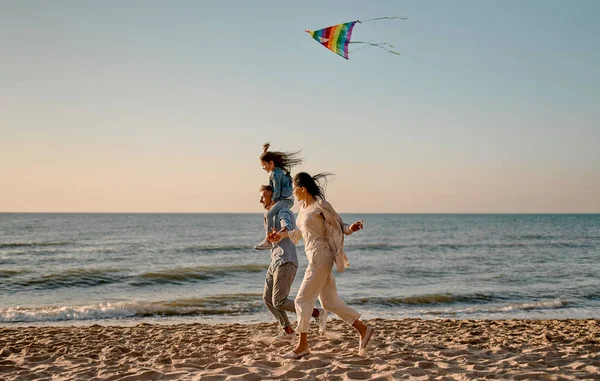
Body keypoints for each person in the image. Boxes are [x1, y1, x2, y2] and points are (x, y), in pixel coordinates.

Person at [269, 172, 375, 359]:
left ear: (303, 189)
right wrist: (281, 235)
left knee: (302, 299)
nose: (293, 192)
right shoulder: (303, 208)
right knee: (329, 302)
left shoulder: (321, 206)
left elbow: (341, 226)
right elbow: (299, 233)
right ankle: (363, 330)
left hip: (321, 256)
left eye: (294, 189)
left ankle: (302, 346)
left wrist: (352, 228)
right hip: (313, 257)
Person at [259, 184, 327, 338]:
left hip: (286, 260)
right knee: (267, 299)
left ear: (274, 197)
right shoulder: (269, 215)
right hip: (275, 260)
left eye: (263, 196)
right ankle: (288, 331)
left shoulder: (283, 212)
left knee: (280, 301)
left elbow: (287, 226)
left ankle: (317, 312)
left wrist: (281, 232)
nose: (261, 200)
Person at [255, 142, 304, 250]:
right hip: (284, 199)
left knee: (268, 215)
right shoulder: (277, 170)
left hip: (285, 200)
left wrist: (272, 202)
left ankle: (268, 241)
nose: (263, 167)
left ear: (271, 163)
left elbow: (276, 191)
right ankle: (269, 238)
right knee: (268, 213)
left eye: (264, 165)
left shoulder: (275, 174)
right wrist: (265, 152)